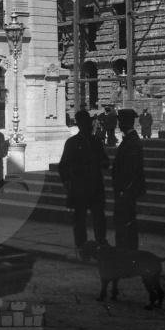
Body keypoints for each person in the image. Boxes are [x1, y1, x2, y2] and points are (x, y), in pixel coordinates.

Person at [58, 110, 109, 260]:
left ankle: (101, 244)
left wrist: (102, 162)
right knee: (79, 220)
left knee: (99, 218)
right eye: (85, 123)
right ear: (80, 125)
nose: (88, 125)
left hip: (95, 187)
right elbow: (63, 166)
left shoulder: (95, 141)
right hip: (79, 188)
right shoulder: (72, 143)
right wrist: (68, 183)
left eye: (88, 122)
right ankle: (82, 247)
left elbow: (105, 161)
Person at [112, 108, 146, 251]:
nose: (119, 124)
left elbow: (132, 170)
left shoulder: (132, 142)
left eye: (120, 121)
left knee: (126, 221)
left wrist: (124, 191)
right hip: (125, 190)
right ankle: (126, 250)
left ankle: (127, 251)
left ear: (125, 123)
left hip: (126, 191)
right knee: (125, 221)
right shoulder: (130, 139)